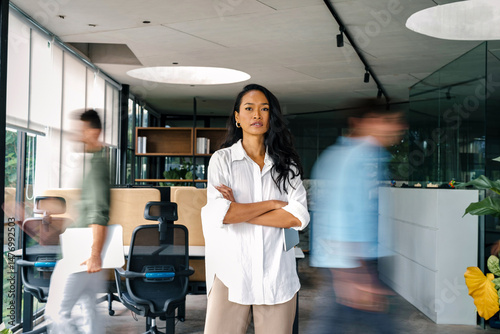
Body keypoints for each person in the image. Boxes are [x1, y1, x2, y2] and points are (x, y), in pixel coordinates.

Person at [201, 84, 310, 334]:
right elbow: (223, 214)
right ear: (237, 117)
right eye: (249, 108)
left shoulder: (288, 165)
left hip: (277, 275)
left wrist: (239, 211)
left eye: (264, 109)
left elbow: (297, 217)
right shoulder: (222, 160)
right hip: (231, 273)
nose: (257, 115)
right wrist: (272, 205)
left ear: (272, 117)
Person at [309, 98, 406, 333]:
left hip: (349, 262)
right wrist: (356, 275)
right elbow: (343, 215)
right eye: (389, 122)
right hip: (350, 263)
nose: (397, 128)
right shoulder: (358, 158)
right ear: (367, 123)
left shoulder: (348, 155)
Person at [45, 109, 110, 334]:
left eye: (80, 130)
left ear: (94, 132)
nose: (76, 135)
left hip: (81, 254)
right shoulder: (92, 163)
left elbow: (99, 214)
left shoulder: (97, 167)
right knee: (89, 312)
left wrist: (94, 254)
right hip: (83, 251)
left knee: (56, 312)